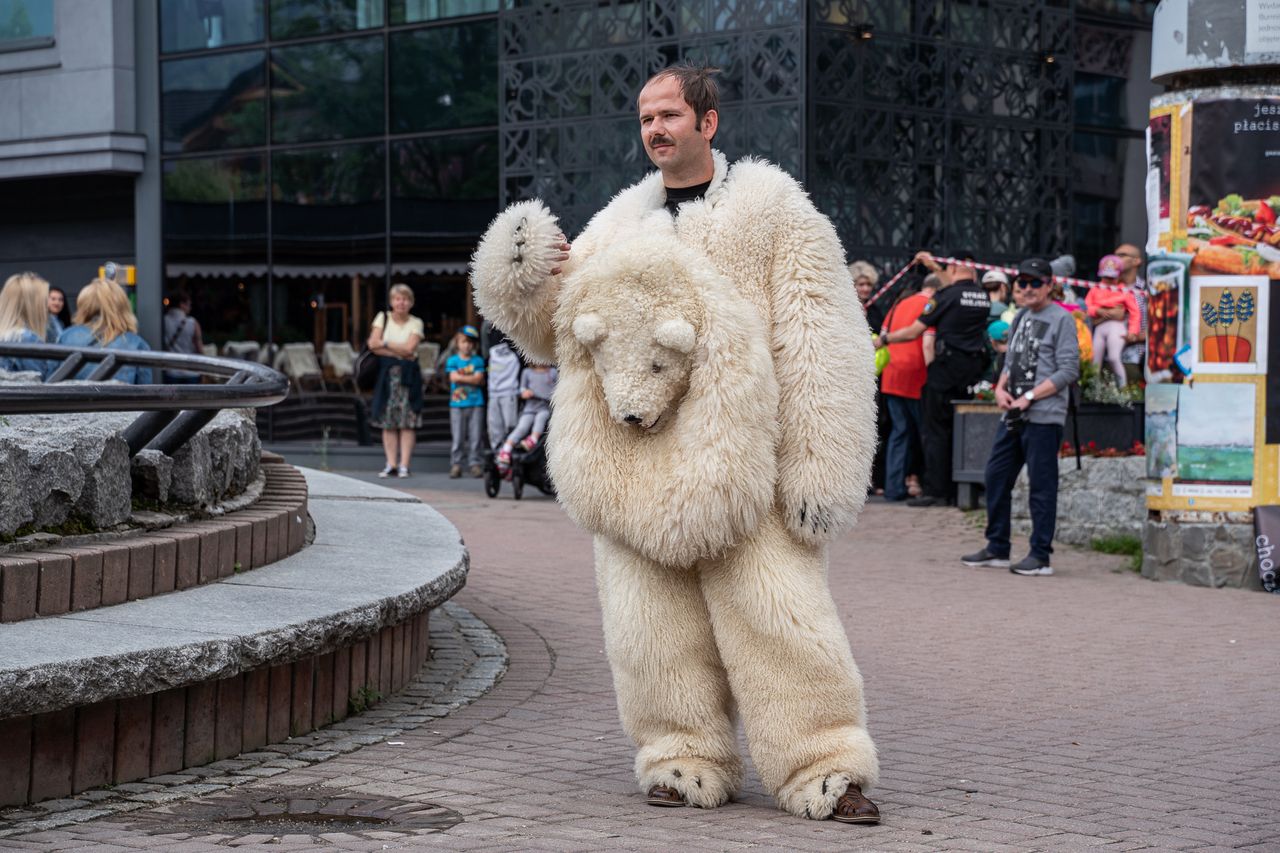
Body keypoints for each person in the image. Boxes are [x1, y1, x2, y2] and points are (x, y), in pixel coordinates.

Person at [472, 62, 881, 824]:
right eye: (645, 119)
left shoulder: (774, 210)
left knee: (783, 621)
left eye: (668, 115)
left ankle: (824, 762)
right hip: (636, 473)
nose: (655, 130)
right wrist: (519, 273)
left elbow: (821, 338)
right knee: (650, 632)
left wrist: (822, 465)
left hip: (744, 465)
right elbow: (556, 331)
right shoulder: (622, 219)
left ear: (708, 121)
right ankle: (680, 753)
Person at [962, 258, 1079, 576]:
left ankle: (1040, 555)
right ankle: (997, 547)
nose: (1026, 289)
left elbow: (1069, 369)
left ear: (1049, 285)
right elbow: (1010, 360)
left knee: (1041, 486)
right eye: (1022, 282)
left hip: (1044, 415)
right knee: (995, 475)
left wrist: (1029, 397)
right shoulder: (1021, 317)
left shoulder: (1062, 320)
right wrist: (1001, 388)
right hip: (1014, 413)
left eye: (1034, 283)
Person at [878, 250, 990, 508]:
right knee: (960, 431)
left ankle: (937, 490)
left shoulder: (945, 297)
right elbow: (956, 284)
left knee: (935, 432)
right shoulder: (981, 296)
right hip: (971, 371)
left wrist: (883, 340)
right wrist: (933, 264)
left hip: (945, 371)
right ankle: (957, 490)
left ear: (952, 269)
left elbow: (914, 332)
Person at [879, 273, 937, 501]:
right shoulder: (930, 305)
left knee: (898, 433)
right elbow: (927, 343)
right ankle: (927, 483)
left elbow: (884, 334)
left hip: (892, 374)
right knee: (925, 433)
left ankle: (893, 488)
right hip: (917, 375)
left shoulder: (899, 304)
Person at [367, 283, 425, 478]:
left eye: (406, 299)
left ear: (411, 303)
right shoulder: (382, 318)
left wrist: (385, 344)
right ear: (392, 301)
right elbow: (372, 344)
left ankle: (404, 465)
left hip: (409, 377)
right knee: (388, 420)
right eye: (398, 299)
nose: (401, 303)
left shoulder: (416, 322)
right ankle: (391, 464)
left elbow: (410, 349)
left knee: (408, 421)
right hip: (387, 376)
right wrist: (396, 349)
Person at [57, 278, 153, 383]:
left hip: (74, 399)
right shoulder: (137, 344)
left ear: (84, 306)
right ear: (122, 307)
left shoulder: (66, 337)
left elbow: (51, 382)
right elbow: (144, 393)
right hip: (118, 399)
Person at [1085, 255, 1141, 387]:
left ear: (1119, 276)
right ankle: (1092, 390)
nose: (1109, 280)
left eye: (1112, 277)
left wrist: (1133, 331)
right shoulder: (1095, 289)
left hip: (1116, 327)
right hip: (1100, 327)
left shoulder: (1124, 291)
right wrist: (1097, 311)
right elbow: (1086, 306)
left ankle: (1123, 389)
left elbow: (1135, 312)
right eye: (1106, 277)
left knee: (1114, 358)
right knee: (1094, 362)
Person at [495, 363, 557, 472]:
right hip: (530, 408)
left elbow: (556, 391)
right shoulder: (527, 372)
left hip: (544, 408)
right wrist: (524, 393)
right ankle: (506, 449)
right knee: (522, 426)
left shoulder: (552, 372)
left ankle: (533, 438)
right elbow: (521, 389)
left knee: (541, 419)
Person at [446, 324, 485, 479]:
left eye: (470, 342)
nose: (466, 345)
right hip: (457, 404)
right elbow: (453, 377)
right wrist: (471, 379)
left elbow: (478, 379)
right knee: (458, 436)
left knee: (475, 436)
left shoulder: (478, 360)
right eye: (463, 342)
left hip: (476, 403)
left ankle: (475, 464)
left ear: (473, 344)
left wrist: (463, 378)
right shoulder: (452, 360)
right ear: (457, 343)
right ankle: (456, 464)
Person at [0, 271, 53, 377]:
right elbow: (40, 389)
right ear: (32, 306)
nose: (47, 307)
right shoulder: (26, 340)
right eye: (43, 301)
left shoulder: (9, 337)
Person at [1114, 243, 1148, 385]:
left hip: (1136, 359)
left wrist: (1135, 337)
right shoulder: (1106, 287)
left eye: (1121, 255)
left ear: (1137, 261)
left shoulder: (1147, 289)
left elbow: (1160, 325)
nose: (1115, 259)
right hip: (1109, 357)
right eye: (1114, 255)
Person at [486, 329, 522, 456]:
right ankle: (497, 457)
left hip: (509, 392)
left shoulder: (516, 336)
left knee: (510, 426)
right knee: (494, 427)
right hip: (493, 393)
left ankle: (509, 455)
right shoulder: (490, 333)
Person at [162, 292, 205, 384]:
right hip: (191, 372)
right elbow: (200, 350)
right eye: (189, 304)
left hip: (170, 371)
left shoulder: (163, 321)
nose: (190, 307)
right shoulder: (193, 323)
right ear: (182, 305)